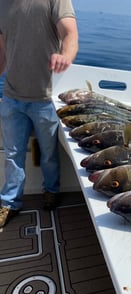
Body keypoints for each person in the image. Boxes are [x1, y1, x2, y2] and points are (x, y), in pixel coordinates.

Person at [0, 0, 79, 227]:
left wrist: (66, 56)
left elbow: (70, 34)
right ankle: (9, 203)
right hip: (11, 98)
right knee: (12, 156)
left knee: (49, 154)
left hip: (46, 98)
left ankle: (52, 191)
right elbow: (2, 52)